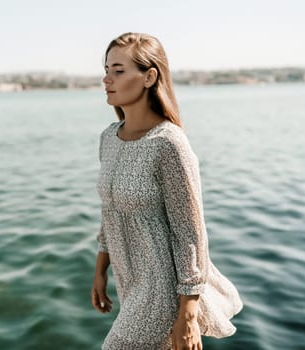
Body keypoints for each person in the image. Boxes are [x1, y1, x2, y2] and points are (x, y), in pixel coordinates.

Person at [91, 32, 243, 350]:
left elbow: (191, 233)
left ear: (149, 76)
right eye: (106, 69)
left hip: (162, 291)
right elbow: (109, 211)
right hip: (129, 285)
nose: (107, 79)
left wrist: (187, 316)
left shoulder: (168, 143)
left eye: (118, 70)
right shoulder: (108, 138)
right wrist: (100, 270)